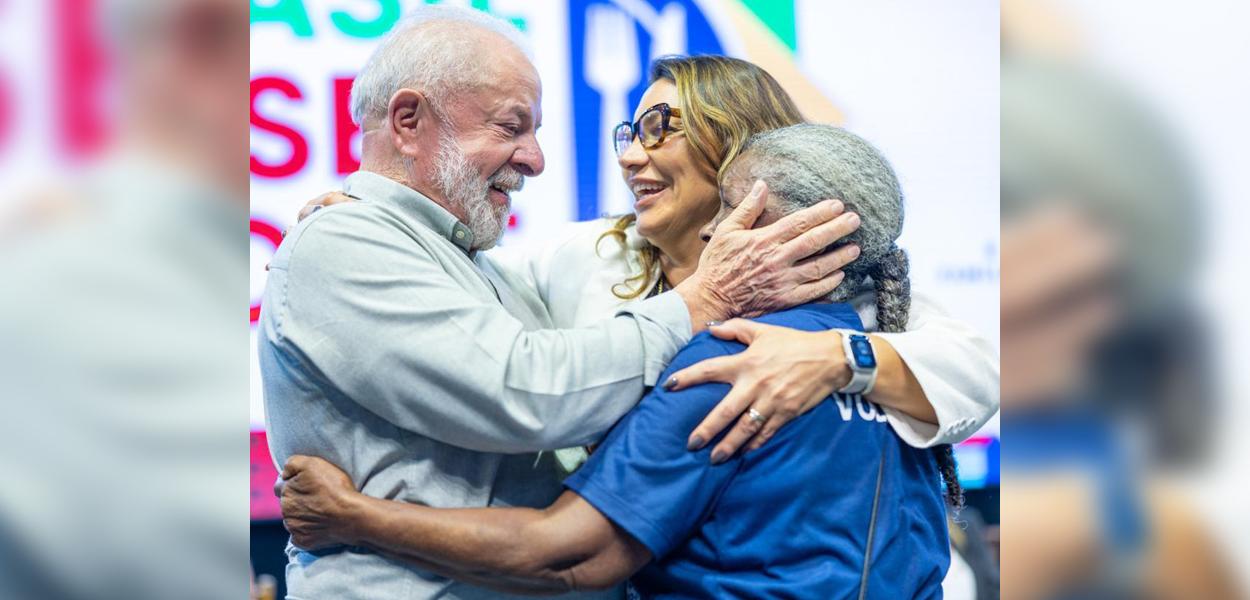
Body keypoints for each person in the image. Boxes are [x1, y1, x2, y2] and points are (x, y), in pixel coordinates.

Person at [259, 7, 855, 600]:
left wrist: (850, 359)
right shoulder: (356, 245)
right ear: (409, 121)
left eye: (660, 131)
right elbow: (527, 393)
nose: (536, 159)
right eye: (510, 126)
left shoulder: (480, 268)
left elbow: (942, 347)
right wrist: (709, 298)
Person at [280, 123, 952, 599]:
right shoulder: (901, 366)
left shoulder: (731, 367)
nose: (713, 230)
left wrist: (353, 517)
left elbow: (567, 554)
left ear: (789, 230)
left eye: (727, 207)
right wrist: (393, 225)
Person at [299, 54, 1001, 466]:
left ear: (740, 142)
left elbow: (979, 372)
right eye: (630, 131)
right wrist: (379, 224)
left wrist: (839, 360)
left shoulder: (819, 264)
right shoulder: (592, 254)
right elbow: (456, 292)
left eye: (661, 128)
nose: (632, 154)